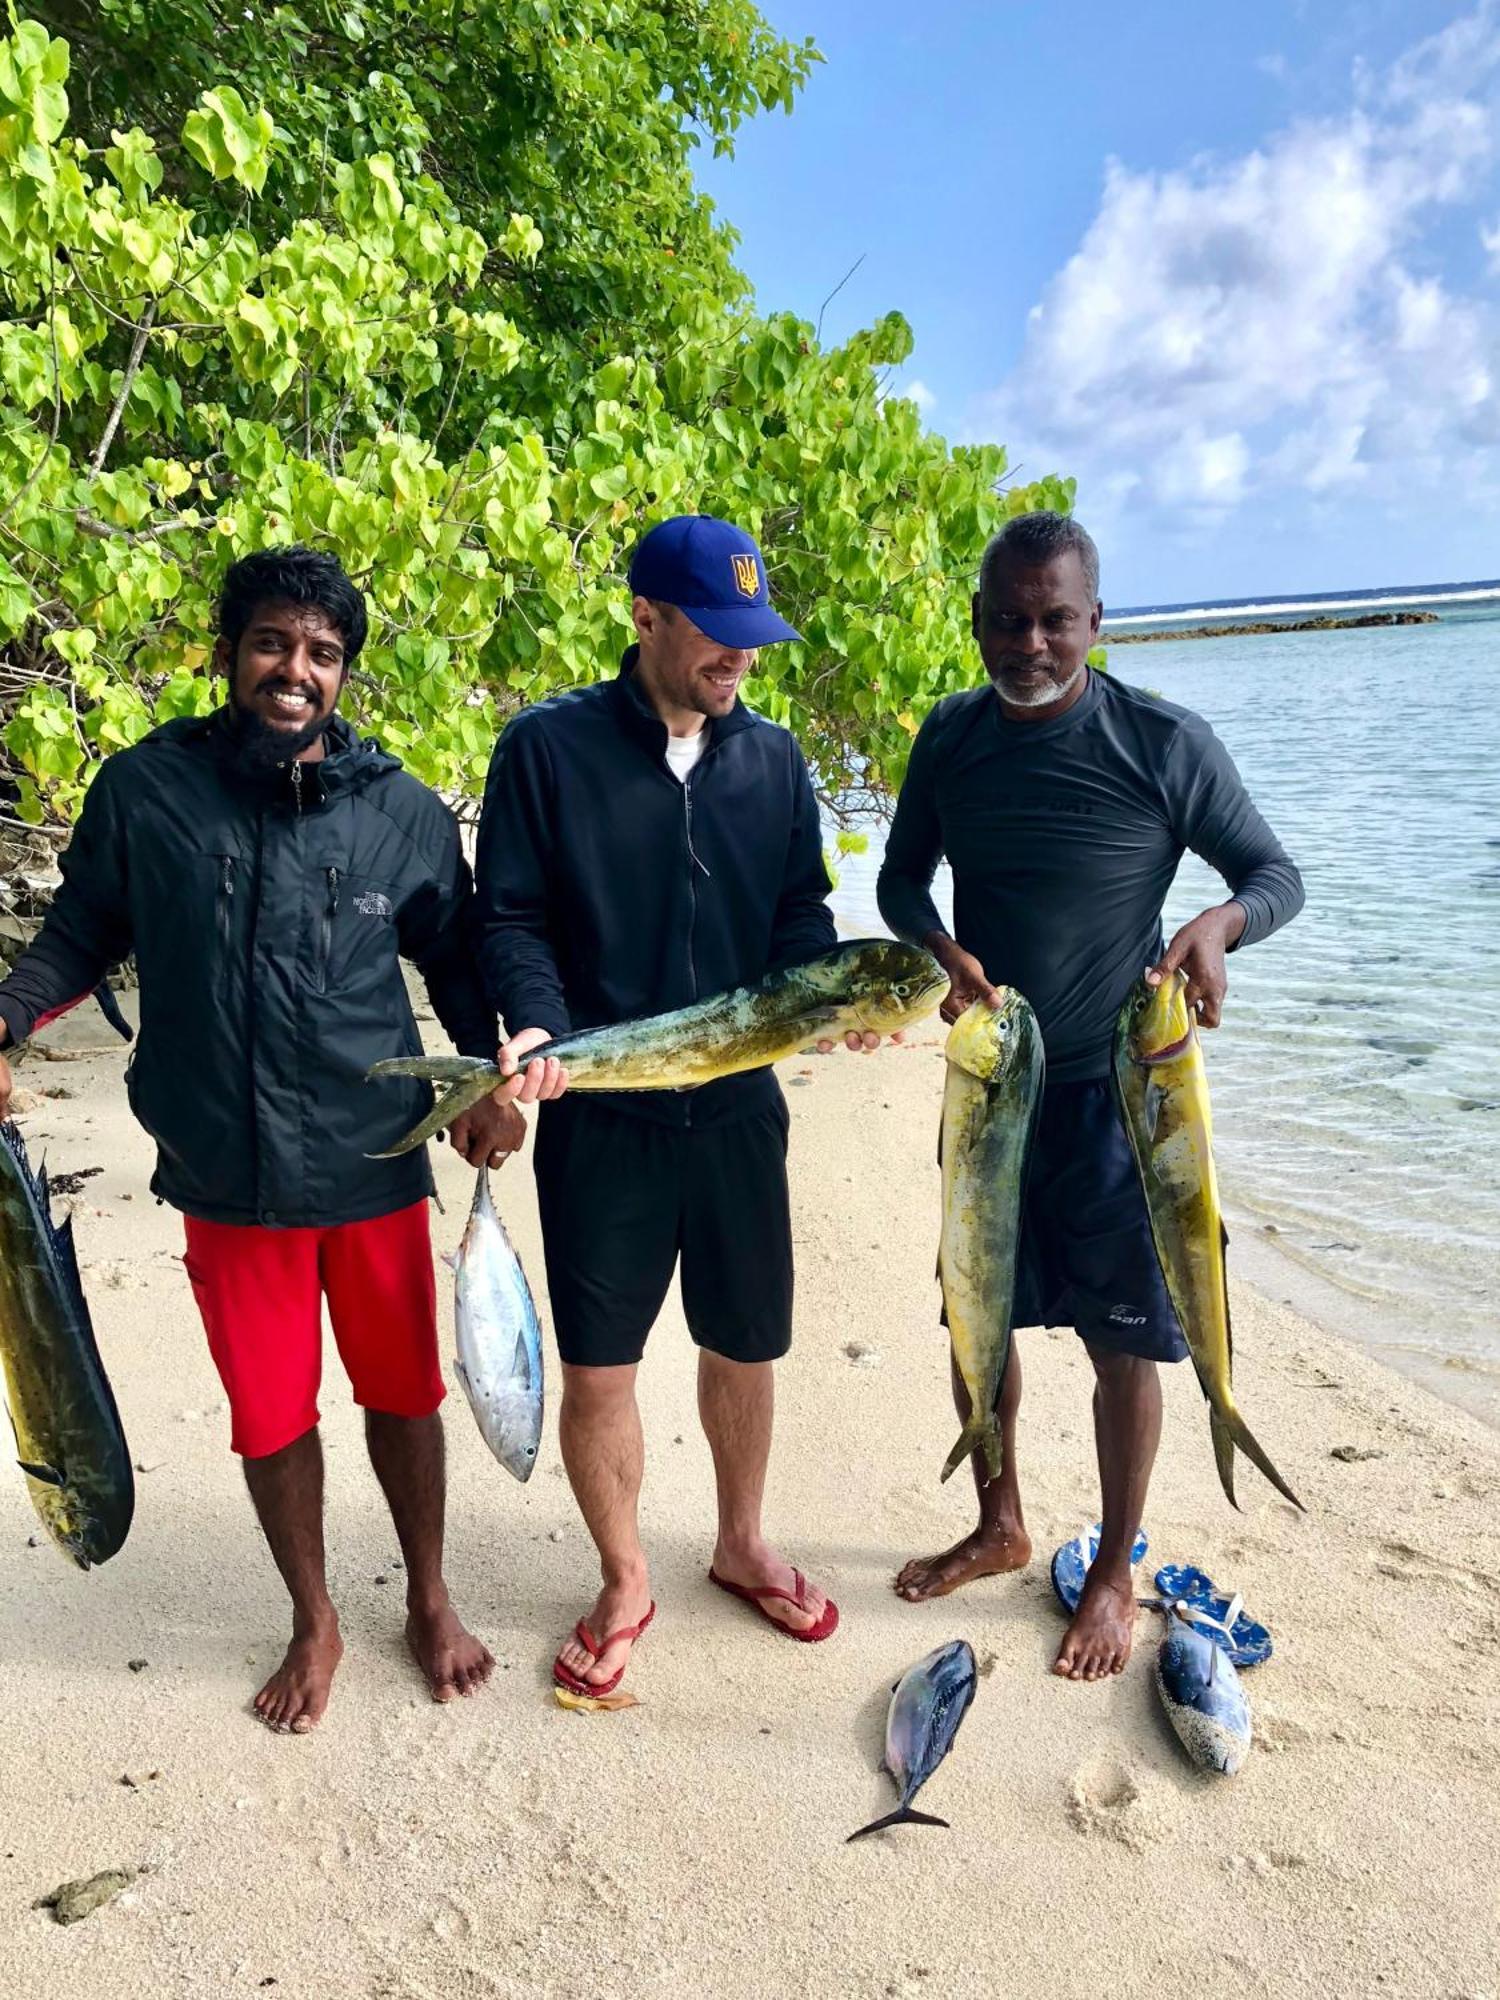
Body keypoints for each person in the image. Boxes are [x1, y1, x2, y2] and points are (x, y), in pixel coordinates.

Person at [0, 546, 522, 1732]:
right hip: (226, 1174)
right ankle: (315, 1616)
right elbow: (81, 928)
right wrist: (8, 1016)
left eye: (323, 653)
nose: (297, 670)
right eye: (274, 644)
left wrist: (490, 1072)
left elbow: (458, 958)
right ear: (229, 653)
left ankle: (429, 1596)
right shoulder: (148, 791)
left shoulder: (402, 813)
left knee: (404, 1394)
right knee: (271, 1415)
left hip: (376, 1160)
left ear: (346, 675)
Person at [877, 511, 1304, 1681]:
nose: (1031, 641)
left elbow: (1275, 875)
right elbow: (900, 877)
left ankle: (1115, 1566)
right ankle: (1002, 1518)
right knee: (979, 1322)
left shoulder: (1164, 742)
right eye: (1009, 619)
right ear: (976, 623)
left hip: (1122, 1101)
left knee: (1131, 1343)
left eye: (1056, 618)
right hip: (994, 1094)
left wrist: (1219, 924)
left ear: (1096, 621)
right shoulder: (952, 739)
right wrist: (941, 951)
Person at [474, 514, 873, 1696]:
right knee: (600, 1370)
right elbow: (509, 917)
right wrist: (537, 1020)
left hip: (741, 1105)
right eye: (716, 632)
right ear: (644, 615)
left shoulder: (775, 758)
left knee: (744, 1343)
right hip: (605, 1112)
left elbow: (800, 912)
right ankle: (625, 1574)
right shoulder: (545, 749)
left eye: (754, 635)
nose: (740, 658)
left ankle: (741, 1540)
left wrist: (830, 996)